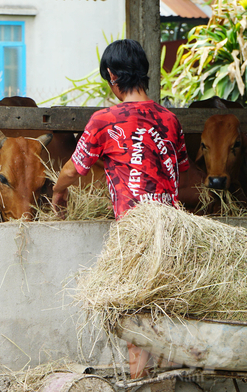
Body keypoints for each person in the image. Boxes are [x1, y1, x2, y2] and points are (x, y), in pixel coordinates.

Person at [51, 39, 190, 379]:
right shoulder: (170, 120)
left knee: (134, 314)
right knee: (167, 308)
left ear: (112, 76)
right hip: (173, 230)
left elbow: (73, 169)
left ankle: (137, 381)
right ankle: (166, 383)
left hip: (136, 233)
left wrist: (57, 192)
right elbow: (181, 171)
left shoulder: (104, 120)